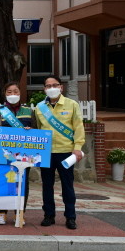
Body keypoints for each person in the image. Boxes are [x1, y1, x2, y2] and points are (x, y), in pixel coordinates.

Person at [35, 75, 85, 230]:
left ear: (61, 87)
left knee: (67, 186)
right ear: (44, 89)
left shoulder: (71, 105)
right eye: (48, 86)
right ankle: (49, 215)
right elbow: (38, 129)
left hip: (65, 152)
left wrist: (77, 147)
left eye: (54, 85)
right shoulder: (39, 107)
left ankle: (70, 217)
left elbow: (78, 127)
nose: (52, 88)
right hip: (46, 153)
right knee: (47, 186)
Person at [0, 81, 35, 226]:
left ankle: (20, 213)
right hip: (5, 153)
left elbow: (36, 130)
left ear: (20, 93)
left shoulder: (28, 110)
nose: (13, 94)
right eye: (9, 92)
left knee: (23, 183)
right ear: (5, 94)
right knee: (4, 181)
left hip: (25, 154)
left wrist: (30, 130)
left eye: (15, 91)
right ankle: (1, 213)